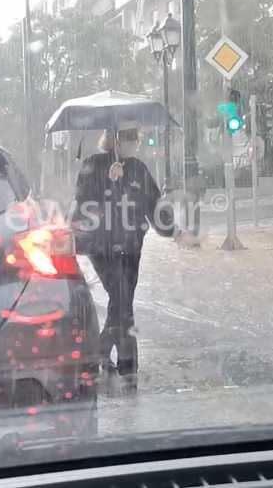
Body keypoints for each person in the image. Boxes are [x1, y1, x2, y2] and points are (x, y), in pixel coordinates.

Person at [71, 121, 175, 395]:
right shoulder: (92, 164)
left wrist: (170, 228)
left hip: (131, 245)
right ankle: (121, 362)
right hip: (102, 246)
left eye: (135, 139)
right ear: (113, 140)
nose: (133, 143)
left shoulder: (138, 167)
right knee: (121, 300)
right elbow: (82, 202)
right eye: (128, 138)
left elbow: (153, 201)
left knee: (123, 300)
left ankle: (106, 357)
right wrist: (109, 181)